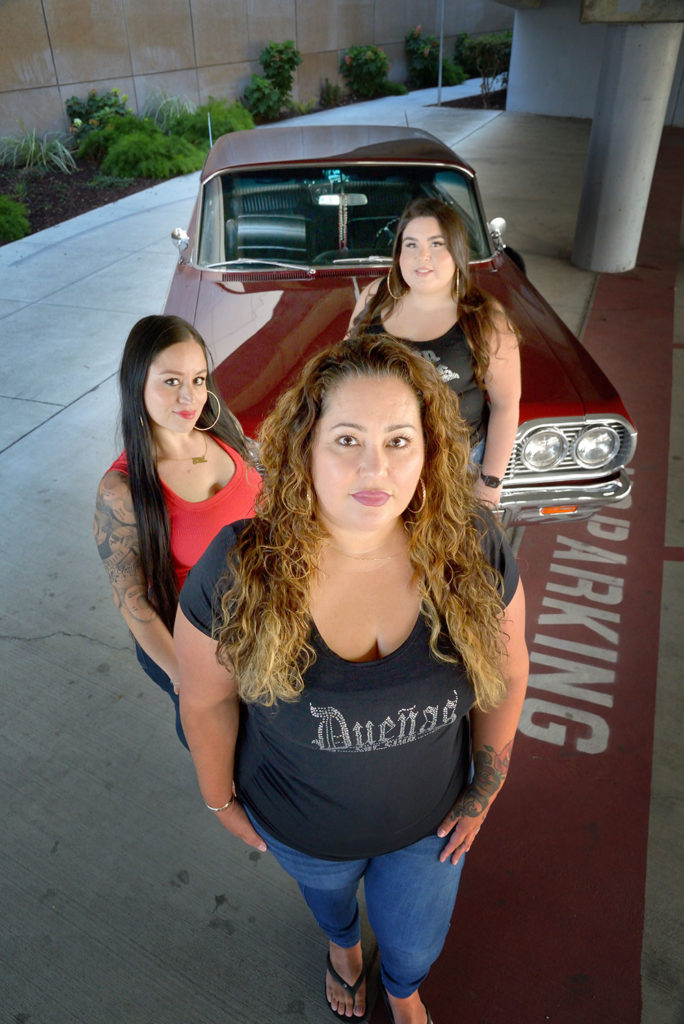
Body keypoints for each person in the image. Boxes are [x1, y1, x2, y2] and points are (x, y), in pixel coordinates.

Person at [174, 333, 529, 1023]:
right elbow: (206, 699)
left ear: (429, 453)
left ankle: (403, 989)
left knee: (416, 941)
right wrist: (219, 800)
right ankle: (341, 949)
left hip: (433, 824)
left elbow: (510, 674)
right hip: (301, 828)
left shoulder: (475, 550)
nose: (377, 465)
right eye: (346, 439)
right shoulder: (240, 568)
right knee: (331, 906)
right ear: (304, 447)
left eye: (400, 440)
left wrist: (487, 786)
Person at [94, 314, 262, 747]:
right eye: (171, 381)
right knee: (226, 753)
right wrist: (185, 678)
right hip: (200, 647)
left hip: (263, 624)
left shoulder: (222, 432)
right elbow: (132, 603)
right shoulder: (124, 489)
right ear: (137, 384)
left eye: (199, 378)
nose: (190, 397)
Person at [348, 196, 521, 509]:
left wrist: (490, 484)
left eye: (437, 244)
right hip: (379, 465)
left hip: (454, 470)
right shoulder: (374, 299)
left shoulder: (485, 318)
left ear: (457, 251)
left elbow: (506, 405)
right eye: (411, 244)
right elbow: (343, 376)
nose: (421, 256)